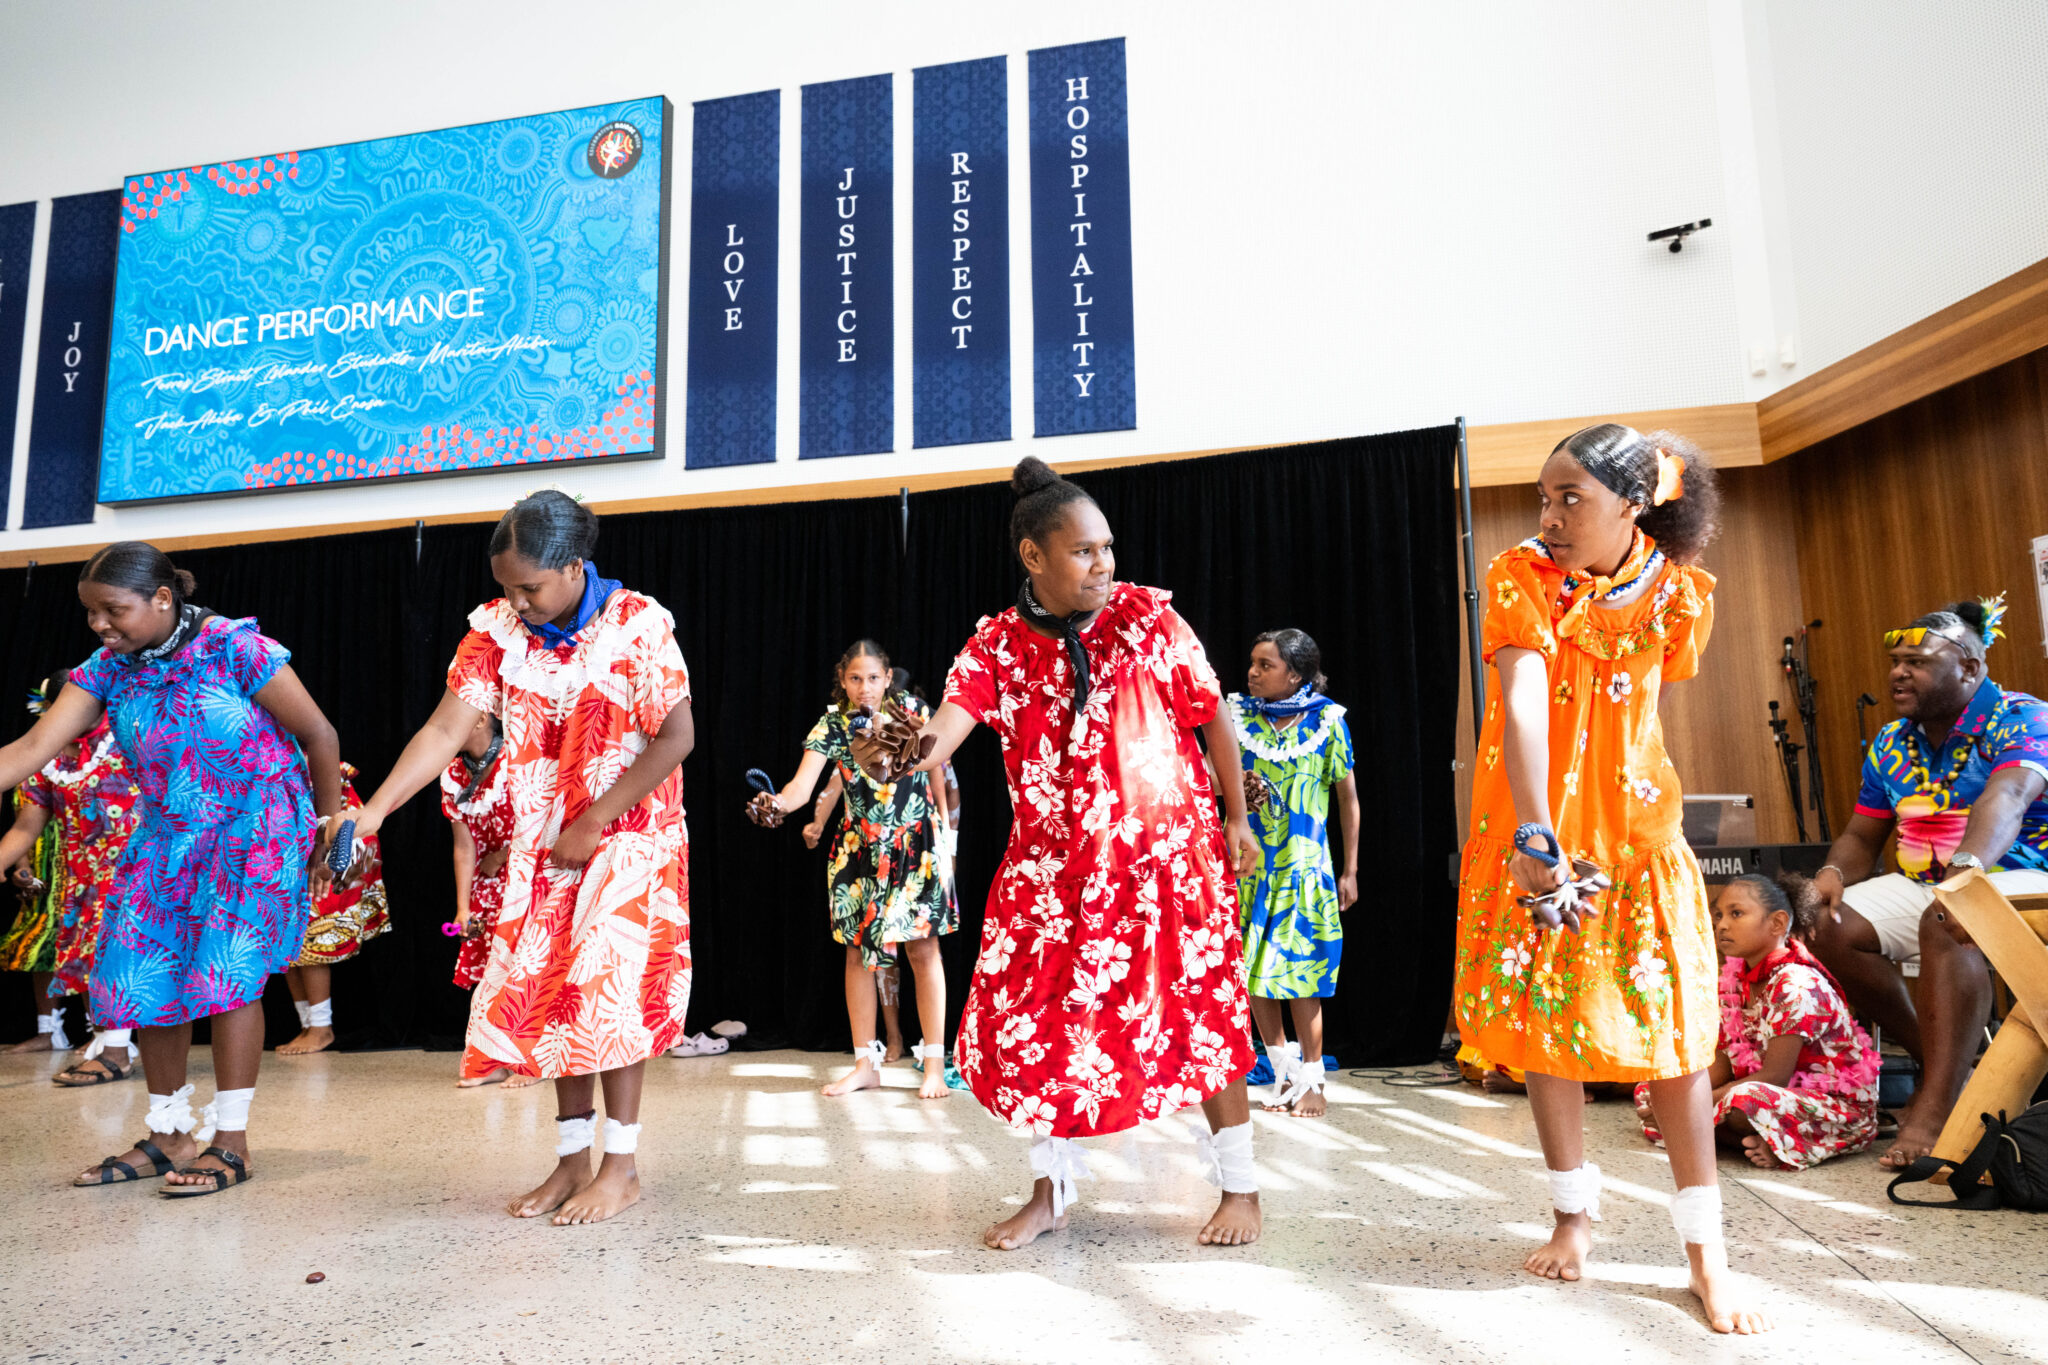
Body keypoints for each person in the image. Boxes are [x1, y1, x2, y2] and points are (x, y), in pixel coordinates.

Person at [853, 456, 1265, 1250]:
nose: (1103, 564)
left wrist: (1237, 816)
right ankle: (1051, 1190)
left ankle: (1240, 1186)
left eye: (1106, 547)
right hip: (1052, 874)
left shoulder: (1148, 619)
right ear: (1033, 556)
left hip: (1164, 864)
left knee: (1202, 1012)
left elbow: (1211, 712)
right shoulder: (996, 646)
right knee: (1039, 1023)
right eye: (1083, 551)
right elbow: (945, 731)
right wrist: (902, 754)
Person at [1455, 425, 1770, 1333]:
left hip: (1637, 841)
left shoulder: (1678, 593)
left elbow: (1637, 717)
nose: (1550, 516)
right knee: (1546, 1028)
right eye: (1544, 498)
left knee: (1675, 1043)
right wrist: (1536, 827)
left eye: (1572, 499)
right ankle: (1572, 1216)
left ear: (1634, 506)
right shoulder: (1521, 574)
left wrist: (1598, 814)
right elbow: (1522, 699)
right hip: (1541, 840)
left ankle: (1706, 1253)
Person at [344, 491, 694, 1226]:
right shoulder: (495, 632)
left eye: (529, 587)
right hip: (546, 844)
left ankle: (622, 1167)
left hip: (629, 835)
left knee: (606, 995)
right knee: (553, 994)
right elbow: (444, 730)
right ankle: (571, 1161)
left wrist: (594, 820)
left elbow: (676, 737)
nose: (517, 602)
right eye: (506, 588)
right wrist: (372, 811)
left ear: (574, 566)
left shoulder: (637, 624)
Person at [0, 543, 341, 1195]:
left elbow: (319, 734)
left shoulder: (232, 647)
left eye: (112, 610)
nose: (99, 624)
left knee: (226, 976)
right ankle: (169, 1132)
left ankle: (231, 1141)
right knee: (139, 972)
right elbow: (34, 745)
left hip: (255, 830)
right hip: (168, 834)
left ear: (162, 598)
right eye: (90, 612)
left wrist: (330, 831)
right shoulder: (107, 669)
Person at [1805, 595, 2048, 1169]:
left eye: (1917, 661)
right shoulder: (1892, 740)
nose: (1898, 673)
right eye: (1895, 661)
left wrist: (1965, 875)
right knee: (1825, 924)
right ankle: (1945, 1067)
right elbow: (1862, 834)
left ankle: (1934, 1106)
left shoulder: (2023, 716)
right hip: (1928, 884)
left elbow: (2008, 797)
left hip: (2026, 878)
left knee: (1945, 916)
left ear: (1969, 666)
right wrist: (1829, 877)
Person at [749, 641, 957, 1101]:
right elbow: (802, 787)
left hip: (915, 847)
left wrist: (946, 836)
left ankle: (934, 1068)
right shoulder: (832, 725)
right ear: (843, 682)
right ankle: (866, 1065)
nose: (865, 687)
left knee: (924, 951)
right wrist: (777, 804)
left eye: (874, 678)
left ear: (888, 678)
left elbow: (937, 770)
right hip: (858, 852)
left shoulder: (913, 711)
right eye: (856, 679)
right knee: (857, 957)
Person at [1638, 873, 1878, 1169]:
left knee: (1743, 1101)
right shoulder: (1734, 976)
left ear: (1777, 923)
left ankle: (1712, 1129)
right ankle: (1755, 1138)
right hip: (1770, 1093)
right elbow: (1724, 1058)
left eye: (1736, 913)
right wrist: (1678, 1096)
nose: (1721, 925)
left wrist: (1688, 1105)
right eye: (1719, 915)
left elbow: (1775, 1076)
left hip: (1831, 1107)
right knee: (1655, 1090)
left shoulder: (1796, 984)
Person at [1229, 629, 1358, 1118]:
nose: (1253, 673)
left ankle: (1313, 1078)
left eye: (1266, 665)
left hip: (1304, 870)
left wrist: (1350, 869)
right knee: (1252, 972)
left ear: (1296, 674)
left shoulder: (1327, 722)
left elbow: (1348, 799)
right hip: (1249, 868)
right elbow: (1212, 778)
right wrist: (1237, 785)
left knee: (1301, 974)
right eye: (1253, 662)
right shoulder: (1238, 717)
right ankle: (1282, 1071)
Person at [9, 672, 148, 1084]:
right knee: (90, 958)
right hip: (82, 881)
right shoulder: (45, 760)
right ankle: (108, 1045)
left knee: (118, 954)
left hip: (139, 872)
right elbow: (25, 828)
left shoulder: (128, 738)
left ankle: (117, 1051)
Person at [440, 711, 537, 1089]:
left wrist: (504, 855)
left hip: (529, 878)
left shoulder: (518, 760)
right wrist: (463, 907)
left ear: (481, 719)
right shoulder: (454, 774)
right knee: (488, 973)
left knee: (525, 969)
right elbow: (464, 847)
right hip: (490, 885)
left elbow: (540, 824)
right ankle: (490, 1059)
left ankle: (528, 1063)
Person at [278, 761, 390, 1055]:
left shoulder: (310, 752)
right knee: (287, 943)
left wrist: (325, 850)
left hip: (333, 840)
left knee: (312, 937)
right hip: (293, 841)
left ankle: (321, 1028)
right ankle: (307, 1025)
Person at [0, 675, 74, 1057]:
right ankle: (50, 1031)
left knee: (90, 945)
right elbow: (25, 821)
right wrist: (21, 865)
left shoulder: (116, 748)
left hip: (94, 865)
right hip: (47, 865)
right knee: (41, 944)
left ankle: (109, 1037)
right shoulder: (36, 757)